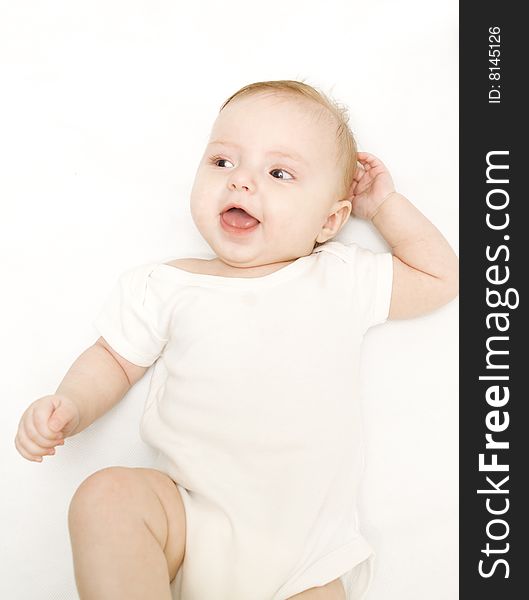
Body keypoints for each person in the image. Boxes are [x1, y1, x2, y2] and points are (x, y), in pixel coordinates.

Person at [14, 80, 459, 600]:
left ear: (331, 220)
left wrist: (384, 206)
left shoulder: (339, 277)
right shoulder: (167, 284)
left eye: (278, 173)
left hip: (305, 562)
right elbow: (113, 359)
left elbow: (438, 277)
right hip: (190, 521)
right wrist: (71, 404)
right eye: (222, 162)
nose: (241, 183)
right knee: (105, 496)